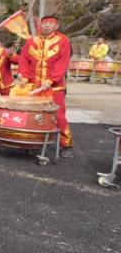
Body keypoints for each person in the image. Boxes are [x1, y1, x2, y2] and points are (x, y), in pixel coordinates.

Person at [17, 15, 73, 158]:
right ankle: (31, 142)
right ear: (40, 26)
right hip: (34, 87)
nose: (47, 25)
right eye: (44, 23)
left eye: (50, 23)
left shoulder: (63, 41)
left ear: (56, 26)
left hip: (54, 88)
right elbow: (24, 60)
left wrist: (51, 80)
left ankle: (66, 144)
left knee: (59, 116)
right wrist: (23, 76)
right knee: (32, 116)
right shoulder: (31, 42)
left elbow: (62, 64)